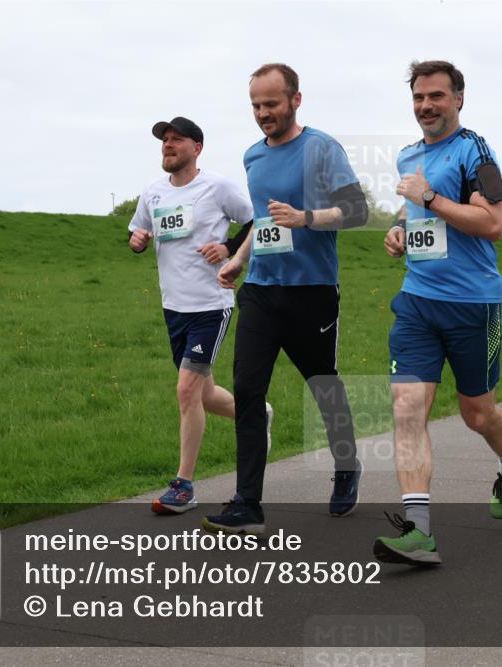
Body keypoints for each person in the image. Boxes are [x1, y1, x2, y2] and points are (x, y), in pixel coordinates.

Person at [201, 63, 369, 535]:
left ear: (296, 100)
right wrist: (238, 257)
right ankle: (247, 501)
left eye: (271, 104)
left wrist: (308, 217)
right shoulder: (253, 156)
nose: (262, 113)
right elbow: (261, 219)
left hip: (312, 290)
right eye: (256, 105)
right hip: (261, 290)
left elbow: (356, 210)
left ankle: (346, 466)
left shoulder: (321, 147)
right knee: (249, 390)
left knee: (323, 385)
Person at [375, 61, 502, 565]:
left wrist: (431, 198)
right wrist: (401, 230)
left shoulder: (476, 151)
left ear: (458, 99)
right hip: (418, 301)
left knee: (476, 413)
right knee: (406, 408)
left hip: (472, 305)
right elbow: (415, 211)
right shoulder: (408, 155)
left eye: (437, 96)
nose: (426, 106)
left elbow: (493, 223)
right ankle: (418, 531)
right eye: (419, 97)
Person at [127, 116, 271, 515]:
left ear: (197, 147)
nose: (167, 146)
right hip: (174, 308)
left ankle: (184, 486)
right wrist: (137, 240)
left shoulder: (217, 187)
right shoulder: (153, 193)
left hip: (211, 306)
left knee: (187, 390)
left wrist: (228, 249)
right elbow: (137, 233)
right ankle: (257, 414)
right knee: (204, 395)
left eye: (176, 140)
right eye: (164, 141)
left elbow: (257, 221)